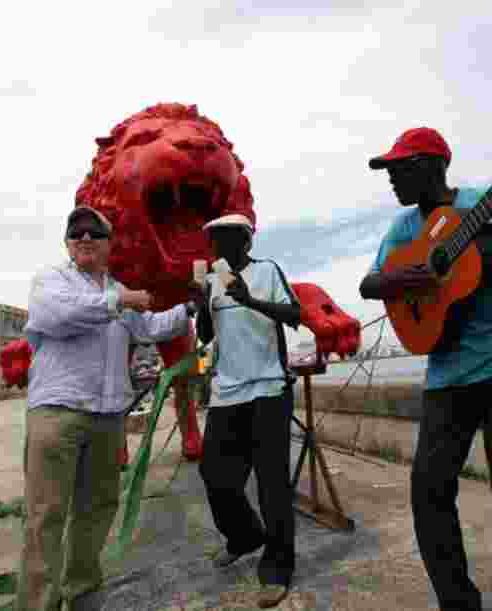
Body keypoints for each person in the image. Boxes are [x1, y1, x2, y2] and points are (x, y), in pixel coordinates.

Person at [358, 127, 492, 611]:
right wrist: (401, 277)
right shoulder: (404, 228)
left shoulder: (487, 201)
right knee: (428, 495)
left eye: (400, 169)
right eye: (389, 170)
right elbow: (370, 284)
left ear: (433, 166)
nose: (392, 179)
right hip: (446, 377)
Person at [16, 206, 197, 611]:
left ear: (108, 245)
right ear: (66, 243)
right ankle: (38, 604)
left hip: (107, 416)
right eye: (75, 232)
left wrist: (189, 309)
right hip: (56, 411)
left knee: (98, 507)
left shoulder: (117, 289)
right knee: (46, 514)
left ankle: (81, 590)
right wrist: (122, 299)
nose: (84, 238)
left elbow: (148, 328)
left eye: (94, 233)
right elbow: (58, 315)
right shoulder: (51, 281)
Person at [195, 213, 302, 609]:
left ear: (246, 242)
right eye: (213, 241)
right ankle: (243, 537)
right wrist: (200, 303)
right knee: (215, 476)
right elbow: (206, 336)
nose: (217, 248)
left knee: (272, 483)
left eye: (225, 239)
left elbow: (296, 316)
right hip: (227, 392)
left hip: (269, 388)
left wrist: (250, 299)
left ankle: (277, 568)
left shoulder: (268, 271)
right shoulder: (211, 280)